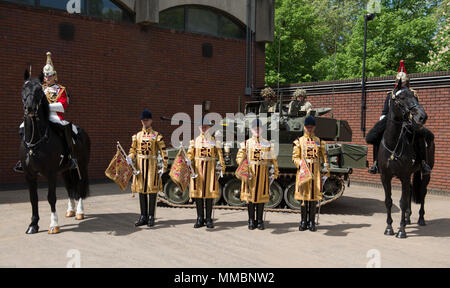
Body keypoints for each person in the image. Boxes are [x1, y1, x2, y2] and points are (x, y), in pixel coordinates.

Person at [14, 52, 78, 173]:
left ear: (54, 76)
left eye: (49, 76)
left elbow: (62, 106)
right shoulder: (39, 87)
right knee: (22, 126)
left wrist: (46, 106)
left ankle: (70, 157)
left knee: (68, 129)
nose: (47, 78)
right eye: (45, 76)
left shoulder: (60, 89)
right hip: (40, 116)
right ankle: (25, 156)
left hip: (54, 116)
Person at [366, 60, 432, 175]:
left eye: (405, 82)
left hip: (407, 120)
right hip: (390, 120)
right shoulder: (390, 94)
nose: (402, 83)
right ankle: (376, 162)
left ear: (407, 82)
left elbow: (415, 108)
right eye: (400, 81)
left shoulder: (412, 94)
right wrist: (383, 119)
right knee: (376, 136)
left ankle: (422, 162)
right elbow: (385, 110)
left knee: (419, 135)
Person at [127, 109, 168, 227]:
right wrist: (130, 157)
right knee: (141, 191)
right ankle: (143, 216)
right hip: (140, 165)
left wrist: (164, 166)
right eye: (143, 120)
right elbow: (132, 150)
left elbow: (163, 152)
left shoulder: (156, 136)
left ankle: (151, 216)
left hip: (152, 166)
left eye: (147, 120)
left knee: (152, 191)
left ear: (151, 121)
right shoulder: (137, 136)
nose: (145, 122)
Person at [236, 119, 279, 230]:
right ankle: (251, 220)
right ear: (251, 130)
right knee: (250, 199)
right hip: (250, 174)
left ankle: (259, 221)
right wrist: (243, 164)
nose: (257, 130)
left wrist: (274, 170)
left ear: (262, 129)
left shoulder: (267, 143)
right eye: (255, 128)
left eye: (259, 128)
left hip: (262, 174)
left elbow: (273, 158)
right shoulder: (246, 143)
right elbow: (239, 156)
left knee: (261, 198)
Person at [292, 116, 329, 232]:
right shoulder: (298, 142)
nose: (309, 129)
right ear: (304, 127)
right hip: (303, 173)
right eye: (307, 127)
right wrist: (301, 165)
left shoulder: (319, 142)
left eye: (311, 127)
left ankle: (312, 221)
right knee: (304, 198)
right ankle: (303, 221)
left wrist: (326, 168)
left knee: (313, 198)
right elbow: (295, 157)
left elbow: (324, 157)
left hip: (315, 174)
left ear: (314, 127)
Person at [186, 119, 225, 229]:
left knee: (209, 195)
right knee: (198, 195)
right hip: (198, 170)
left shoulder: (214, 141)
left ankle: (208, 218)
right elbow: (190, 154)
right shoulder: (194, 141)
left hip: (210, 170)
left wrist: (222, 166)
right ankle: (199, 218)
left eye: (206, 127)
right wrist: (188, 160)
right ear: (199, 128)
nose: (203, 128)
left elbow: (220, 155)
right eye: (202, 127)